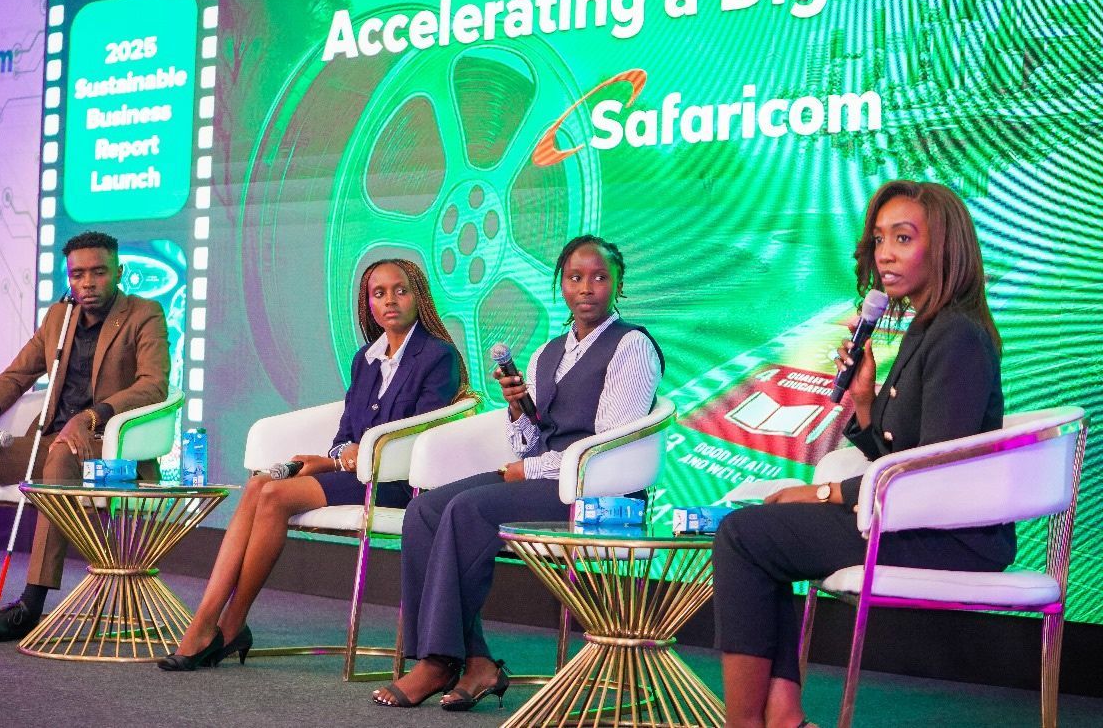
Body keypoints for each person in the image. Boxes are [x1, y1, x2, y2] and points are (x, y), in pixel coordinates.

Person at [712, 180, 1010, 728]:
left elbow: (929, 470)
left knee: (742, 535)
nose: (886, 254)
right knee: (758, 531)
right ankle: (783, 718)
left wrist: (823, 492)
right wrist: (865, 402)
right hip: (915, 519)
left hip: (951, 538)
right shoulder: (928, 329)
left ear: (944, 246)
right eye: (879, 240)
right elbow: (898, 456)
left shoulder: (957, 336)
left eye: (903, 238)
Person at [372, 235, 664, 709]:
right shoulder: (548, 352)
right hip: (545, 477)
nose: (586, 287)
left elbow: (608, 446)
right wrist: (517, 413)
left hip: (596, 491)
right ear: (561, 286)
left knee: (469, 511)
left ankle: (438, 660)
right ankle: (476, 660)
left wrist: (528, 468)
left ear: (617, 285)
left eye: (599, 277)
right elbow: (532, 439)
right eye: (574, 278)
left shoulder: (630, 346)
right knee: (425, 509)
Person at [158, 258, 468, 670]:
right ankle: (210, 621)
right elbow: (344, 434)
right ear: (368, 305)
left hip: (395, 483)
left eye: (400, 290)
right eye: (379, 293)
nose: (390, 300)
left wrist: (346, 458)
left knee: (272, 495)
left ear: (418, 297)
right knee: (258, 484)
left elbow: (420, 438)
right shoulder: (365, 359)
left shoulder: (437, 356)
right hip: (351, 474)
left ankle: (225, 625)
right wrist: (330, 459)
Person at [0, 231, 170, 641]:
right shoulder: (58, 317)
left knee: (61, 455)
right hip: (49, 442)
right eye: (78, 274)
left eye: (98, 272)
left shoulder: (144, 314)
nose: (87, 282)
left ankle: (30, 605)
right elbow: (18, 373)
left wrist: (91, 417)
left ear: (119, 272)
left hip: (107, 446)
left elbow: (154, 385)